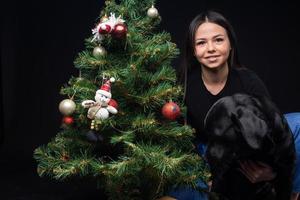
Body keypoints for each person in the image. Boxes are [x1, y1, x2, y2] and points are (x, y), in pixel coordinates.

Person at [158, 10, 298, 200]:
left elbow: (271, 131)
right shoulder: (184, 84)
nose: (211, 48)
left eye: (218, 40)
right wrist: (210, 174)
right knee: (188, 186)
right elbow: (180, 137)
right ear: (193, 50)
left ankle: (292, 191)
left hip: (246, 153)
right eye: (201, 43)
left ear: (230, 44)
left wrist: (272, 173)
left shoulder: (249, 81)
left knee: (298, 122)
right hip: (205, 152)